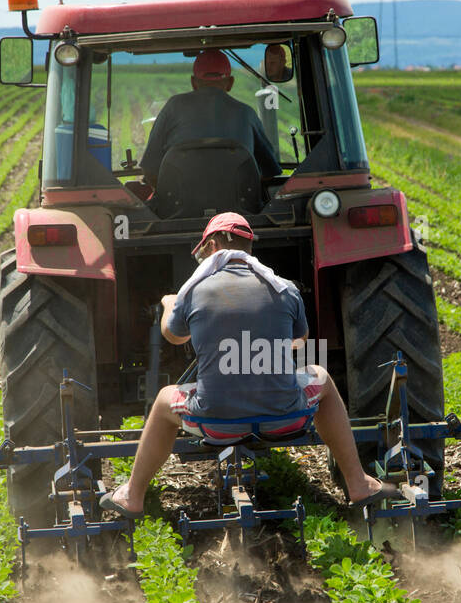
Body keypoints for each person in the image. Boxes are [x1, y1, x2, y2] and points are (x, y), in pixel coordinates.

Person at [100, 212, 399, 518]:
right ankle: (358, 483)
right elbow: (300, 339)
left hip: (216, 424)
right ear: (248, 248)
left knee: (165, 397)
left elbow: (173, 336)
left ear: (213, 245)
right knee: (320, 375)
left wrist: (168, 303)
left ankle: (132, 495)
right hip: (285, 419)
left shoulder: (193, 291)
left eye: (203, 252)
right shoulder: (284, 288)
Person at [138, 49, 282, 189]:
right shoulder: (247, 113)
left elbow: (150, 170)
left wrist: (167, 197)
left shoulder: (173, 107)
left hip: (179, 211)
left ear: (194, 82)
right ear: (230, 82)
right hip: (240, 211)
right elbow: (269, 171)